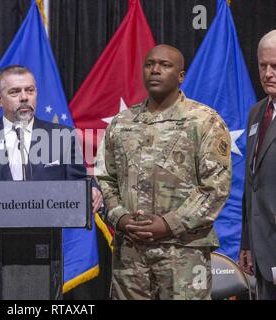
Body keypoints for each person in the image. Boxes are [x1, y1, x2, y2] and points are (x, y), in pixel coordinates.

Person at [0, 65, 103, 300]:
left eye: (30, 90)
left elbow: (79, 182)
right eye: (15, 92)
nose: (25, 97)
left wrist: (93, 191)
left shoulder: (61, 136)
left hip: (43, 258)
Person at [95, 44, 232, 300]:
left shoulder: (204, 121)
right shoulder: (122, 123)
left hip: (183, 254)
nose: (155, 70)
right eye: (149, 64)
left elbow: (216, 188)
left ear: (181, 75)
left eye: (165, 65)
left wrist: (169, 224)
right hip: (130, 255)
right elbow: (105, 179)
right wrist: (121, 218)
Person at [240, 30, 276, 300]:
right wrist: (247, 242)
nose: (268, 73)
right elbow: (252, 182)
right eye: (263, 66)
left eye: (275, 66)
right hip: (261, 250)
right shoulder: (257, 112)